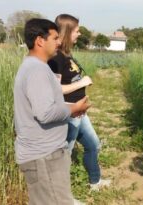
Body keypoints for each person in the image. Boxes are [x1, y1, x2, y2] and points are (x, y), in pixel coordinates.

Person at [14, 18, 90, 205]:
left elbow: (44, 107)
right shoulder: (37, 70)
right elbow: (45, 113)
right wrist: (74, 108)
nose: (58, 42)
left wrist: (69, 111)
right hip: (44, 158)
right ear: (40, 40)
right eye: (55, 38)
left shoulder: (34, 66)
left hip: (43, 155)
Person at [48, 14, 111, 191]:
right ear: (67, 32)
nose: (79, 33)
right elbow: (55, 89)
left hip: (80, 112)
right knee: (64, 156)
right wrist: (81, 83)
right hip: (68, 113)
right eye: (76, 30)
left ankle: (95, 182)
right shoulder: (55, 58)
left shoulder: (66, 54)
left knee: (93, 145)